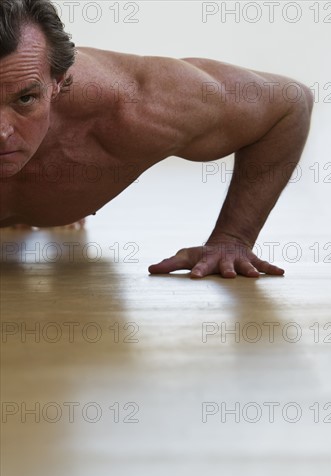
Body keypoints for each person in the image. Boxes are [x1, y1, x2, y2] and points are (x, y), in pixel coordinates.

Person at [0, 0, 314, 279]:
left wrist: (233, 238)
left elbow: (290, 103)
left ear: (58, 82)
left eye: (25, 99)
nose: (2, 133)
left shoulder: (138, 105)